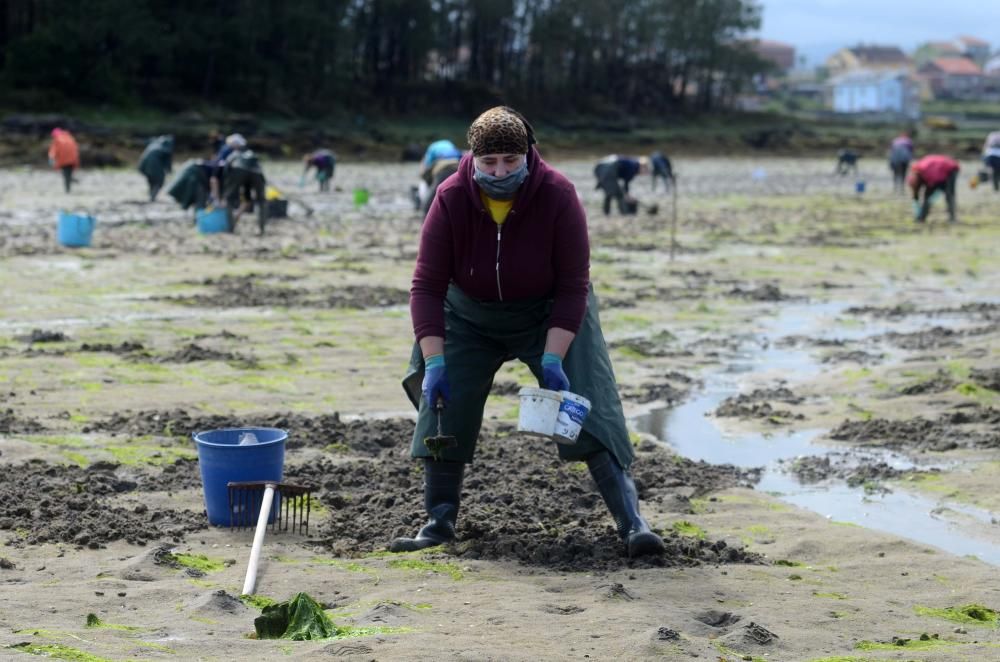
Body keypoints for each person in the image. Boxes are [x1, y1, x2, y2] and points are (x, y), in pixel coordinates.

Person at [393, 106, 666, 559]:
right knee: (443, 404)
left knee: (590, 403)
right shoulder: (450, 196)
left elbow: (575, 284)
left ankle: (632, 522)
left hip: (547, 312)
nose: (499, 172)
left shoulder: (558, 194)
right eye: (489, 163)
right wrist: (436, 364)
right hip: (467, 315)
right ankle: (438, 520)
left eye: (510, 161)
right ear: (473, 159)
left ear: (528, 155)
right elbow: (426, 286)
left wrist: (555, 357)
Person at [211, 147, 268, 235]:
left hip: (238, 170)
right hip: (257, 172)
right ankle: (262, 229)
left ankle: (230, 228)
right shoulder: (252, 157)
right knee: (260, 201)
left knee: (229, 199)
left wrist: (225, 194)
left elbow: (227, 173)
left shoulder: (232, 156)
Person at [413, 139, 463, 214]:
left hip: (444, 168)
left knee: (428, 203)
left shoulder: (431, 148)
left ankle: (427, 220)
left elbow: (426, 167)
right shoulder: (449, 144)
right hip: (457, 166)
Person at [909, 154, 960, 224]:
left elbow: (934, 186)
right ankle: (921, 217)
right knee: (928, 197)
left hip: (950, 169)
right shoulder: (917, 173)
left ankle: (952, 219)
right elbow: (917, 191)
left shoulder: (926, 172)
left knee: (949, 194)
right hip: (938, 170)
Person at [138, 134, 174, 201]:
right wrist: (169, 171)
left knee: (151, 180)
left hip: (143, 163)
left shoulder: (153, 144)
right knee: (159, 181)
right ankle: (152, 197)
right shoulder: (166, 148)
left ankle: (151, 196)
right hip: (153, 164)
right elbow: (167, 162)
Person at [48, 128, 80, 193]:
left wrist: (51, 158)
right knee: (68, 173)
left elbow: (53, 151)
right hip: (72, 159)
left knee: (65, 175)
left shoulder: (57, 140)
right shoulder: (70, 138)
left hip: (63, 160)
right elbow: (75, 149)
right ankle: (71, 180)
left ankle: (67, 190)